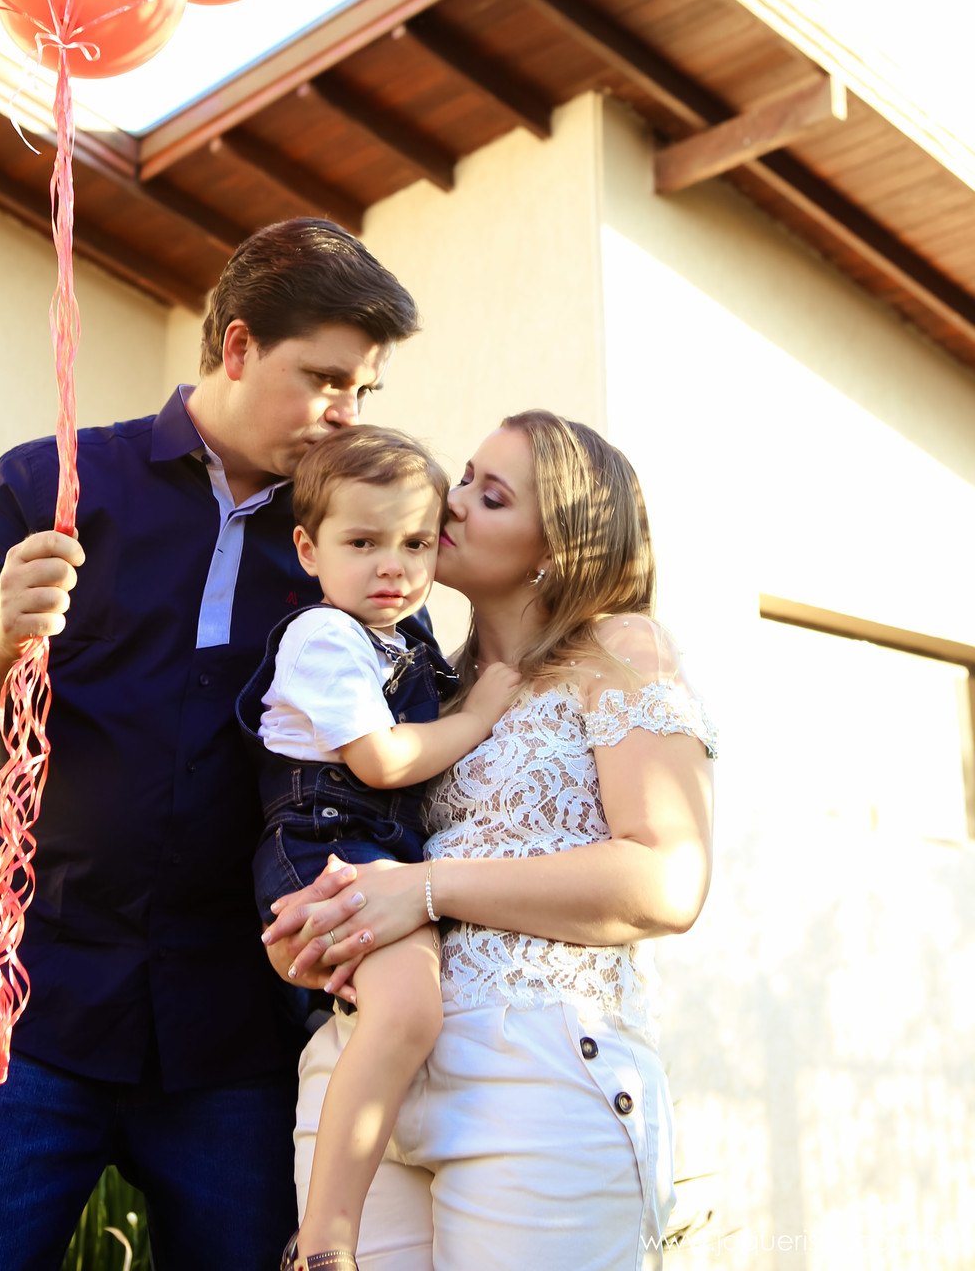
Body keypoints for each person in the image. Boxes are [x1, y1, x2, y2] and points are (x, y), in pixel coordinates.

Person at [0, 218, 426, 1271]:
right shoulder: (50, 480)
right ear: (234, 347)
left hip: (239, 1035)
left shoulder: (353, 528)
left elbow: (412, 729)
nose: (345, 417)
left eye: (363, 392)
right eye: (324, 382)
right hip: (18, 1011)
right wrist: (0, 632)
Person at [263, 411, 718, 1271]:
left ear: (558, 546)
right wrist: (323, 938)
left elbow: (669, 878)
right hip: (361, 1071)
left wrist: (427, 890)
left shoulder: (622, 652)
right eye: (466, 477)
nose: (454, 502)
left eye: (492, 495)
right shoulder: (419, 677)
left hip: (534, 1071)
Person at [236, 426, 521, 1271]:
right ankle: (322, 1246)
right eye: (362, 543)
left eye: (415, 542)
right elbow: (382, 758)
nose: (393, 566)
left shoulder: (403, 640)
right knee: (408, 1010)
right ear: (308, 549)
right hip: (326, 840)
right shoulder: (322, 638)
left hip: (368, 844)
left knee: (400, 1011)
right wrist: (478, 717)